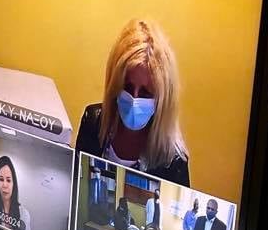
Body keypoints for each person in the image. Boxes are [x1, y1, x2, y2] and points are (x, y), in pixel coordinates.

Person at [75, 18, 189, 183]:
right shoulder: (94, 122)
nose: (134, 99)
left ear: (162, 98)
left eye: (145, 92)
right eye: (127, 87)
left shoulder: (173, 159)